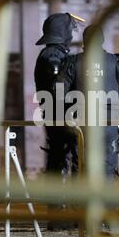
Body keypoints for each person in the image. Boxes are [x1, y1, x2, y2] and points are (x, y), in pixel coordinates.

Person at [56, 24, 119, 179]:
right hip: (109, 123)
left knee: (82, 168)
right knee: (107, 169)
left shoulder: (72, 62)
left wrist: (70, 112)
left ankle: (83, 202)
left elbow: (58, 92)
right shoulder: (115, 62)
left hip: (82, 124)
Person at [34, 13, 81, 178]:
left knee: (66, 155)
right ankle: (59, 201)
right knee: (61, 157)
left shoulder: (56, 54)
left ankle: (68, 200)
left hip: (62, 115)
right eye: (70, 30)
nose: (71, 34)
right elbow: (58, 89)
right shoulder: (53, 56)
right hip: (60, 116)